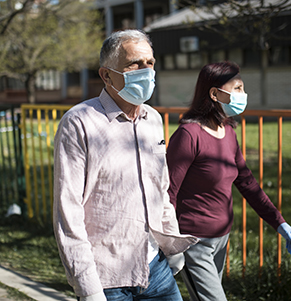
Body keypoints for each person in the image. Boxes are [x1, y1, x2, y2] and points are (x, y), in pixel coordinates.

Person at [53, 30, 198, 301]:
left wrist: (172, 245)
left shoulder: (153, 119)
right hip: (106, 278)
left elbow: (160, 189)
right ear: (106, 75)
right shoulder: (79, 123)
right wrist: (89, 288)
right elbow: (68, 212)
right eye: (134, 64)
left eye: (150, 63)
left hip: (156, 268)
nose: (145, 71)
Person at [166, 61, 291, 301]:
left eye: (242, 88)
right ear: (215, 94)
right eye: (237, 88)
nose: (243, 94)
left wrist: (278, 222)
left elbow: (247, 183)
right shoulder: (188, 135)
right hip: (194, 241)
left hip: (221, 239)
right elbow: (168, 192)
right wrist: (170, 242)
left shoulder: (228, 133)